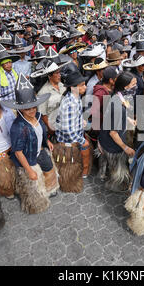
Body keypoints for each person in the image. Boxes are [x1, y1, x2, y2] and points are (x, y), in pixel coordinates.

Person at [2, 74, 59, 213]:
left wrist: (46, 141)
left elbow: (41, 132)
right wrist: (29, 170)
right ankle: (37, 202)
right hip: (27, 158)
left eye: (34, 107)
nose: (32, 110)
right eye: (28, 109)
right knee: (33, 182)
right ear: (20, 109)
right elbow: (18, 151)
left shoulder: (38, 116)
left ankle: (51, 188)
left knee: (49, 168)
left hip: (40, 150)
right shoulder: (18, 127)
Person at [53, 63, 92, 193]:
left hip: (75, 134)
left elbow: (74, 119)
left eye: (84, 84)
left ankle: (83, 171)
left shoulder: (76, 97)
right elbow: (68, 131)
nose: (85, 87)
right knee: (85, 146)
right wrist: (81, 141)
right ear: (72, 87)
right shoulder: (70, 104)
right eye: (82, 85)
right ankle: (81, 174)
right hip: (68, 141)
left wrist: (81, 121)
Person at [97, 72, 137, 192]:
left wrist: (128, 119)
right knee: (117, 169)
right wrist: (126, 148)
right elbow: (113, 133)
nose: (136, 86)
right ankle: (114, 185)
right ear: (125, 87)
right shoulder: (117, 106)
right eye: (133, 84)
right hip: (112, 144)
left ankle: (103, 174)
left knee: (106, 163)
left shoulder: (117, 95)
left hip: (105, 137)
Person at [33, 60, 66, 135]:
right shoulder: (43, 92)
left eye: (59, 72)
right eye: (57, 73)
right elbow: (43, 114)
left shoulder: (62, 85)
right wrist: (51, 129)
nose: (59, 75)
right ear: (49, 76)